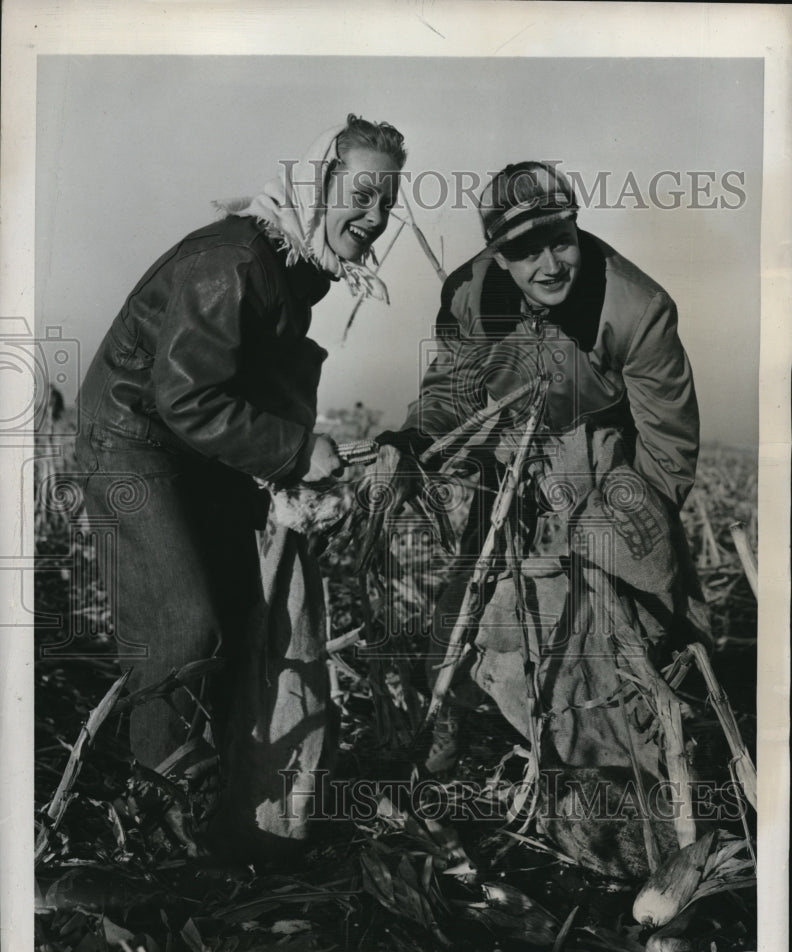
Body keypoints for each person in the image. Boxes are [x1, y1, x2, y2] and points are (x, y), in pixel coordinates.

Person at [74, 114, 406, 865]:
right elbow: (187, 398)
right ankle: (154, 829)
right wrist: (295, 451)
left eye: (388, 201)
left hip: (192, 450)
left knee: (241, 613)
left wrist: (300, 469)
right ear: (316, 184)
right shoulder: (234, 260)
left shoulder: (296, 266)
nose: (375, 215)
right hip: (132, 441)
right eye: (361, 193)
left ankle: (228, 815)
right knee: (183, 629)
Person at [378, 161, 710, 790]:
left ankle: (626, 750)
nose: (551, 265)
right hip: (510, 461)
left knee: (618, 620)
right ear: (499, 256)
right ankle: (445, 732)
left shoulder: (637, 308)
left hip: (604, 464)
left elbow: (668, 448)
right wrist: (415, 439)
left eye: (561, 241)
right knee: (469, 608)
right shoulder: (470, 295)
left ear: (577, 227)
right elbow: (451, 389)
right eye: (526, 252)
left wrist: (623, 530)